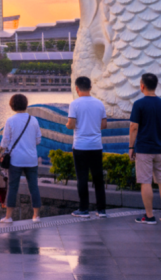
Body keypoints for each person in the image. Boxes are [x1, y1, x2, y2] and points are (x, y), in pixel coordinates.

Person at [130, 73, 161, 224]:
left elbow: (134, 127)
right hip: (160, 148)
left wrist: (131, 147)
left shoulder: (139, 104)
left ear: (142, 86)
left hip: (144, 149)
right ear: (156, 85)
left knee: (146, 182)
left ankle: (149, 216)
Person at [66, 76, 108, 218]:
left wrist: (67, 125)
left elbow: (71, 124)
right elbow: (103, 125)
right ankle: (101, 210)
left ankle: (83, 209)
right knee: (98, 178)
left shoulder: (75, 104)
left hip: (80, 146)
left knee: (82, 177)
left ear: (77, 88)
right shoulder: (99, 104)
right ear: (90, 88)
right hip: (96, 145)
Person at [0, 94, 42, 224]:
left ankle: (8, 217)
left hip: (15, 160)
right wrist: (28, 144)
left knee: (12, 187)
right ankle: (36, 216)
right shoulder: (33, 120)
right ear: (26, 104)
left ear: (12, 105)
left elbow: (5, 141)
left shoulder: (10, 121)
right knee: (34, 187)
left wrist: (0, 153)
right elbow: (38, 140)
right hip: (31, 159)